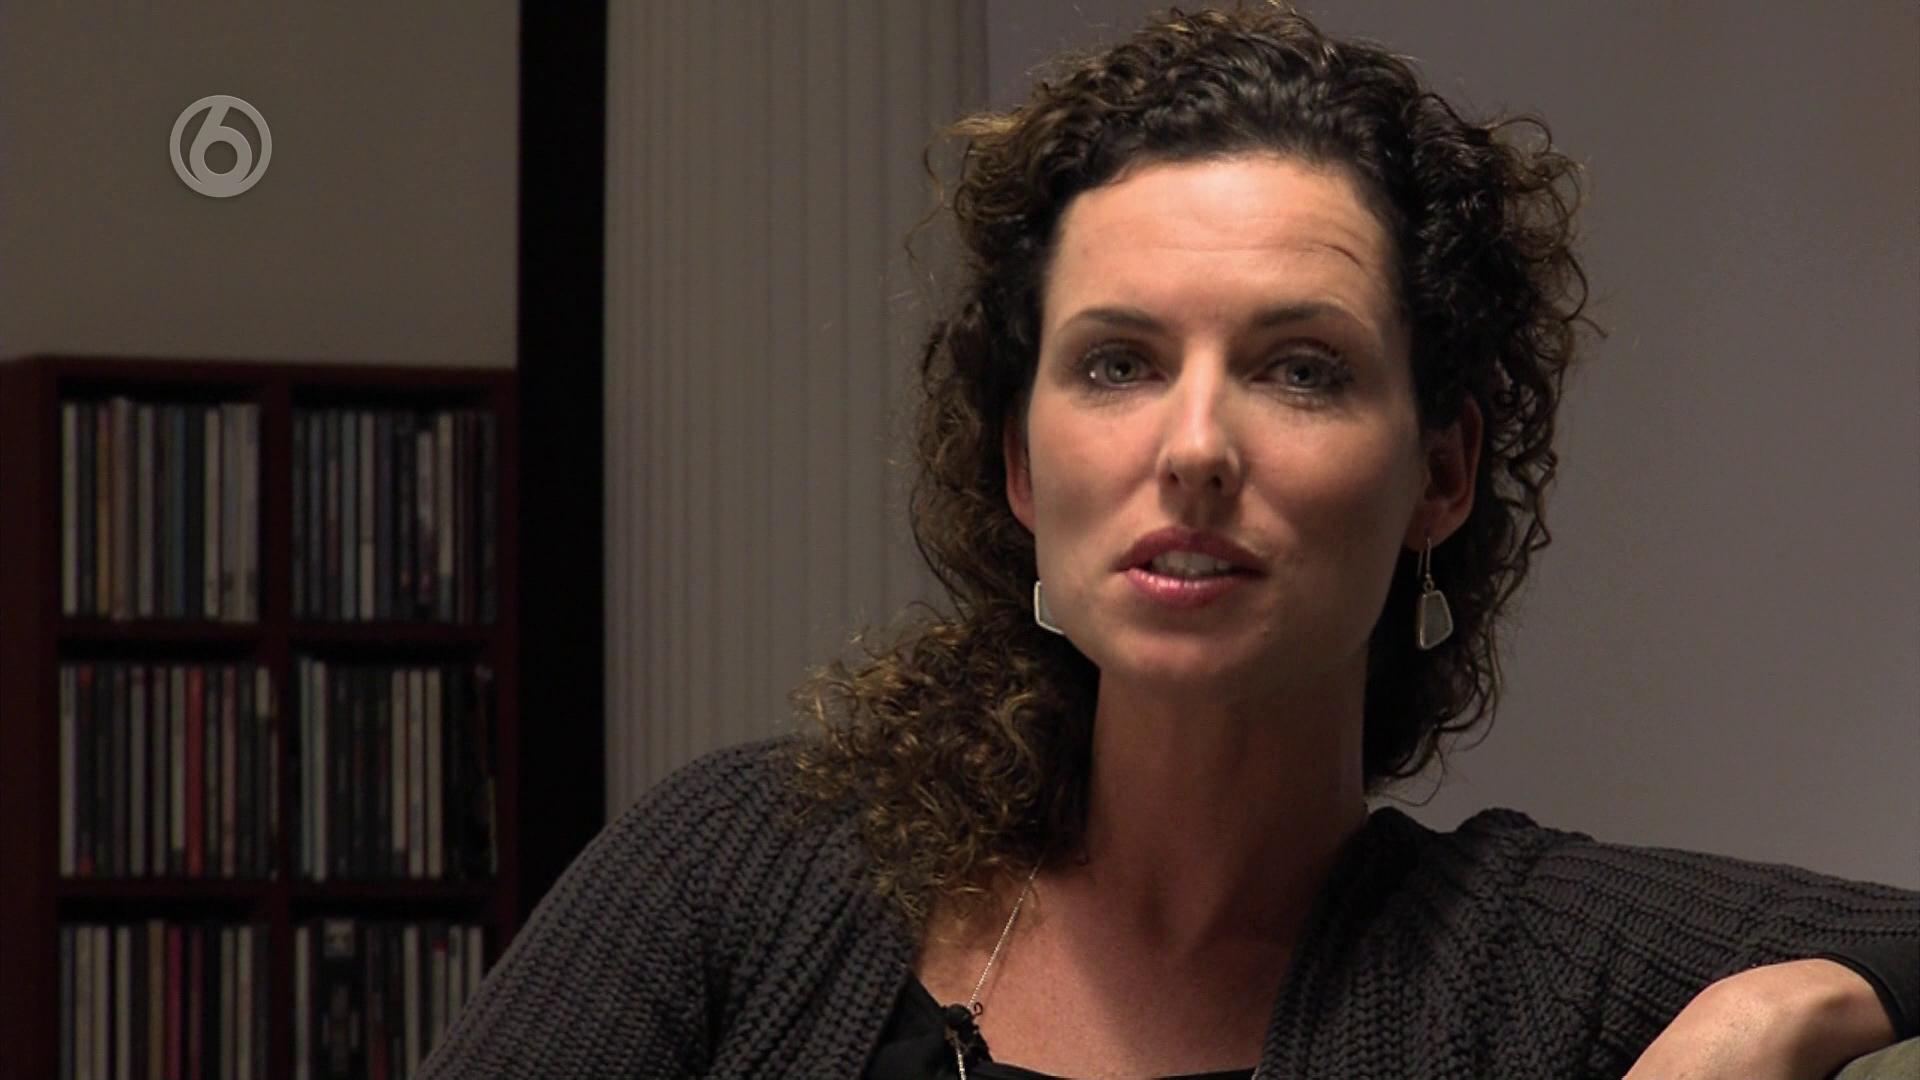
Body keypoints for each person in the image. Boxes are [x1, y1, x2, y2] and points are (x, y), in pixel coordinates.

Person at [422, 5, 1918, 1078]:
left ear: (1443, 472)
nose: (1195, 445)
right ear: (1022, 466)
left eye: (1301, 369)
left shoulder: (1528, 957)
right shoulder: (748, 872)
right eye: (1118, 363)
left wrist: (1771, 1015)